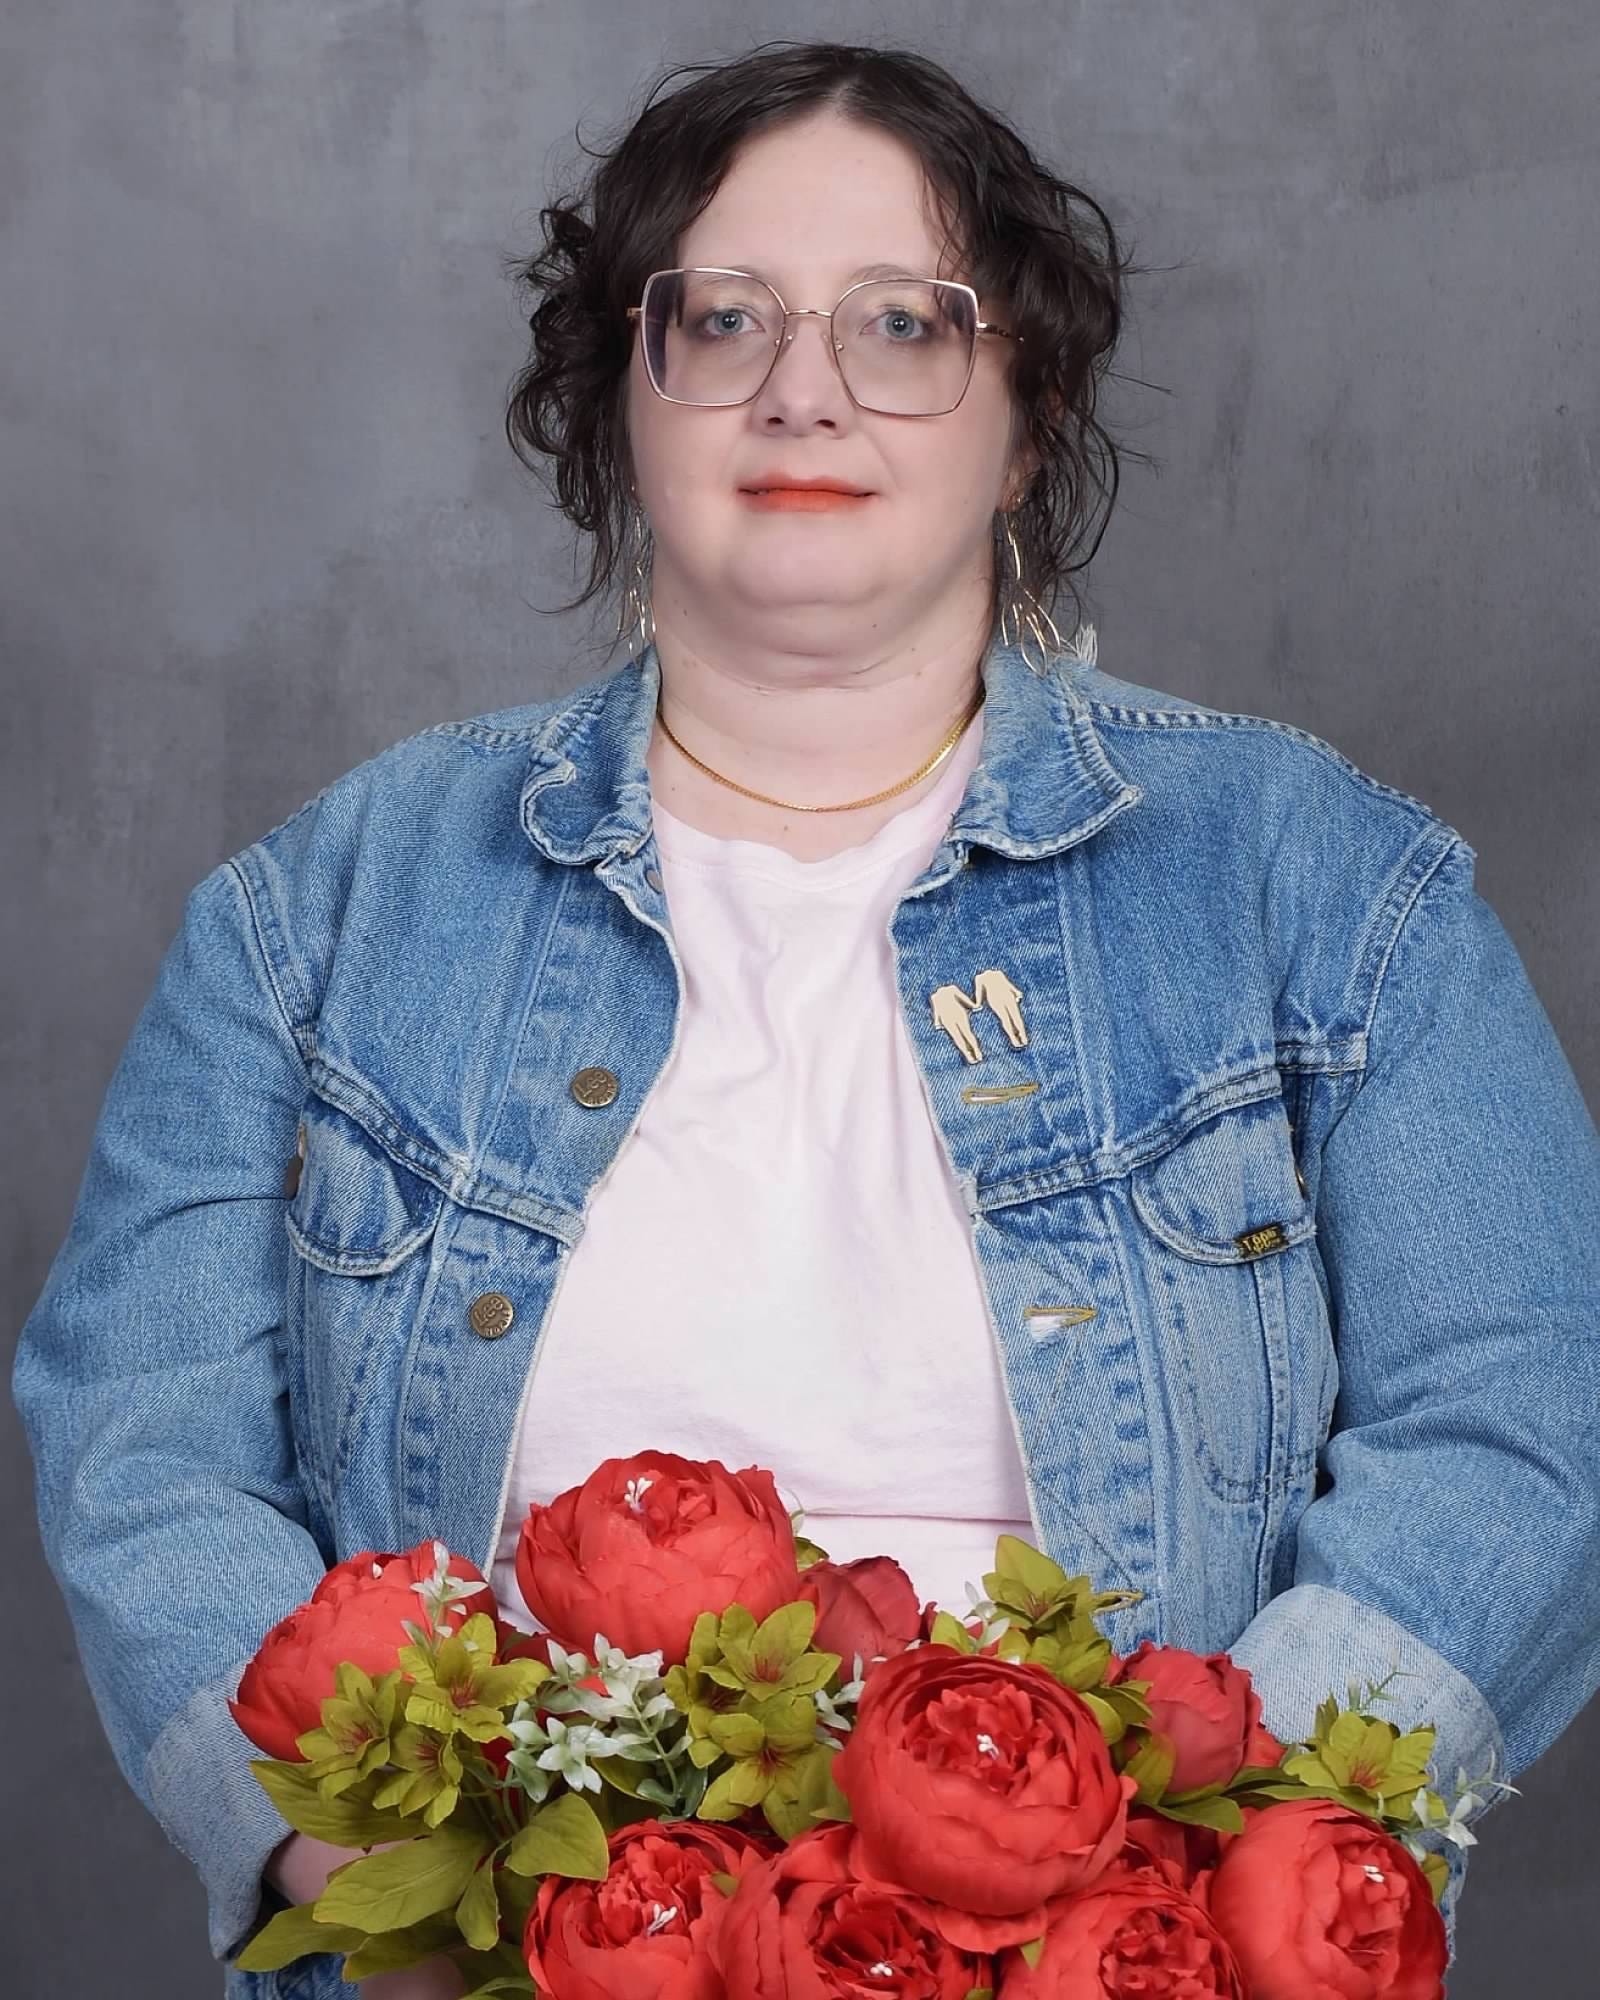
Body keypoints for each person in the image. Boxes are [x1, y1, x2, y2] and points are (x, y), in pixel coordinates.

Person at [13, 38, 1600, 2000]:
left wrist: (1170, 1893)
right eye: (723, 317)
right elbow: (143, 1440)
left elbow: (1521, 1429)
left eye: (902, 324)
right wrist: (377, 1883)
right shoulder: (315, 914)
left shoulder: (1332, 890)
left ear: (1025, 417)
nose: (804, 388)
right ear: (621, 391)